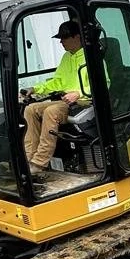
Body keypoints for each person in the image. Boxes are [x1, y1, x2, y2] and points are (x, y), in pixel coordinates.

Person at [22, 20, 90, 174]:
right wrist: (35, 89)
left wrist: (79, 93)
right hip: (65, 101)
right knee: (30, 109)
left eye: (64, 38)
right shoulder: (67, 57)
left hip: (84, 101)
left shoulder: (90, 56)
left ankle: (39, 163)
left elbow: (103, 82)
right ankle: (29, 158)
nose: (61, 41)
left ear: (77, 37)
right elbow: (57, 81)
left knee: (51, 111)